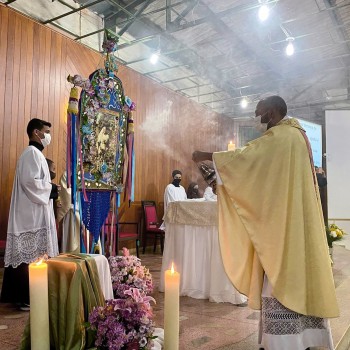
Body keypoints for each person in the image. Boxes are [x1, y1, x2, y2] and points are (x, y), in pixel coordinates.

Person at [193, 96, 338, 350]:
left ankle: (284, 342)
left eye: (260, 115)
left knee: (280, 277)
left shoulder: (281, 137)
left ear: (271, 113)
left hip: (283, 226)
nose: (258, 121)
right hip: (290, 217)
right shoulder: (296, 136)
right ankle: (302, 338)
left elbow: (246, 157)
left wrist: (204, 155)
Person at [1, 118, 59, 309]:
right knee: (28, 258)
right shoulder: (31, 154)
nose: (48, 135)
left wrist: (49, 188)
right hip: (29, 215)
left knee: (33, 258)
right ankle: (24, 297)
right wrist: (50, 189)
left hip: (35, 211)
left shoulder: (37, 154)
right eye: (46, 131)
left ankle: (25, 295)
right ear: (36, 132)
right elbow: (30, 182)